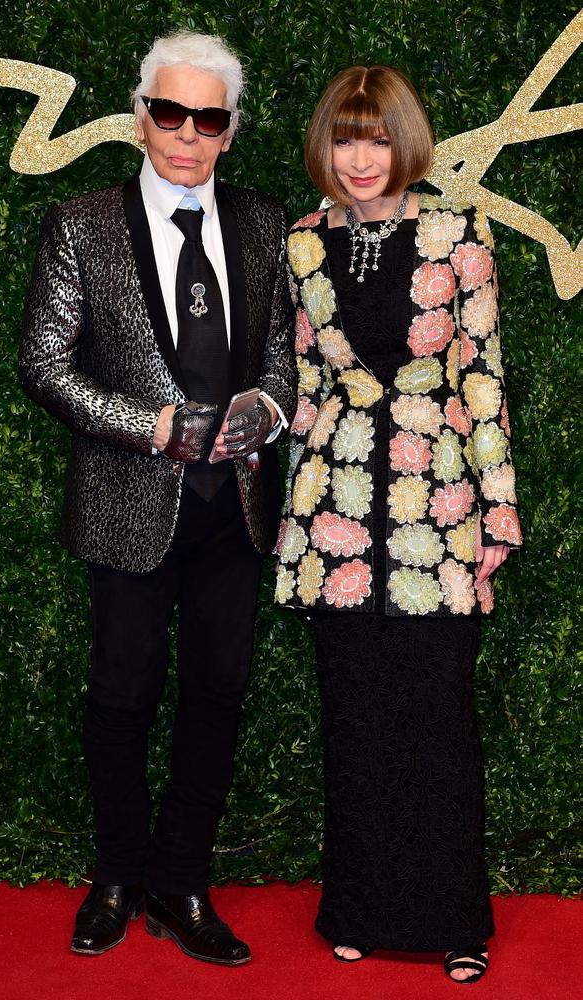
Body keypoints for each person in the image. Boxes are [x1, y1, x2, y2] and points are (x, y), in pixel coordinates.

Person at [20, 30, 296, 964]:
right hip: (127, 506)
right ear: (141, 115)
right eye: (169, 111)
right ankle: (114, 874)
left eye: (207, 118)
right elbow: (45, 366)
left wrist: (267, 408)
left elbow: (287, 361)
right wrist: (153, 425)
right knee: (121, 694)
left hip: (238, 510)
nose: (186, 133)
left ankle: (181, 880)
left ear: (229, 131)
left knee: (218, 693)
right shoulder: (80, 223)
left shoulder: (267, 224)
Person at [275, 65, 522, 984]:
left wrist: (495, 519)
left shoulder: (460, 236)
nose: (362, 157)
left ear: (405, 141)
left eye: (378, 138)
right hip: (336, 504)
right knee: (356, 720)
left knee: (438, 720)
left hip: (439, 500)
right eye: (346, 138)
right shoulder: (302, 244)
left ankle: (455, 920)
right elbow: (304, 388)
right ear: (326, 147)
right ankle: (359, 909)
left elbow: (485, 381)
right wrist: (294, 528)